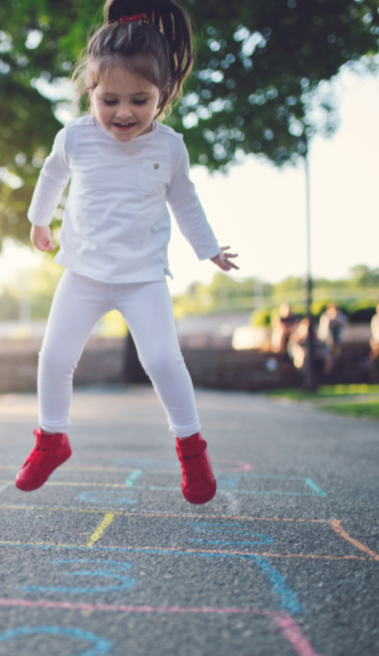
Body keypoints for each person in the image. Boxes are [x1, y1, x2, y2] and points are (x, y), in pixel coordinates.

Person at [16, 0, 238, 505]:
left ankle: (192, 451)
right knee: (53, 358)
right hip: (84, 272)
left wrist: (208, 250)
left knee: (162, 359)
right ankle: (52, 439)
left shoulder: (169, 147)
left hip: (143, 276)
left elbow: (186, 200)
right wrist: (38, 220)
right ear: (91, 90)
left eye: (140, 100)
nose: (123, 113)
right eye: (109, 100)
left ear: (162, 95)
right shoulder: (74, 137)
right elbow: (52, 173)